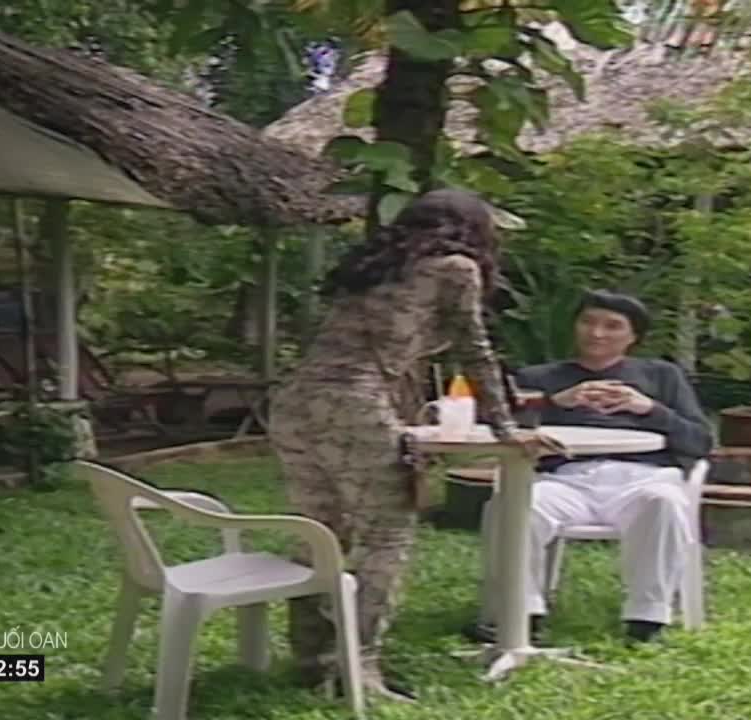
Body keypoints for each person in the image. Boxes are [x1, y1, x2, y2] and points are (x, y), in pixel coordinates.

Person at [268, 189, 564, 701]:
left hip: (294, 404)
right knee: (387, 536)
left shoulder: (374, 268)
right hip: (353, 405)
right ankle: (357, 670)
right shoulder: (454, 268)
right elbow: (475, 350)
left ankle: (313, 660)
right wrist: (504, 428)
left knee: (319, 533)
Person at [466, 290, 715, 644]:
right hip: (565, 477)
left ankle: (647, 617)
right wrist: (555, 403)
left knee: (664, 503)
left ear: (633, 337)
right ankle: (520, 612)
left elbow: (700, 441)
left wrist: (649, 409)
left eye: (612, 326)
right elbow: (501, 428)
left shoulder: (662, 375)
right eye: (588, 322)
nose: (597, 333)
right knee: (513, 507)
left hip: (642, 476)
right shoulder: (542, 377)